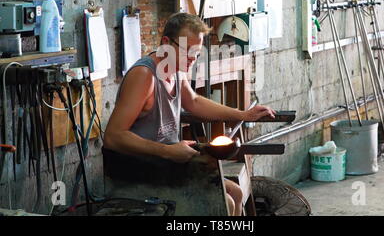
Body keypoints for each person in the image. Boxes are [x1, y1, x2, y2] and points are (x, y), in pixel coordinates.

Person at [103, 12, 275, 216]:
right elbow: (113, 137)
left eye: (197, 52)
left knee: (236, 193)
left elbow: (193, 101)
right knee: (224, 202)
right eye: (187, 51)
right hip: (139, 170)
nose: (192, 59)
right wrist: (166, 151)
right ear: (166, 42)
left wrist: (242, 115)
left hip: (166, 165)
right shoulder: (144, 76)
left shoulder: (176, 69)